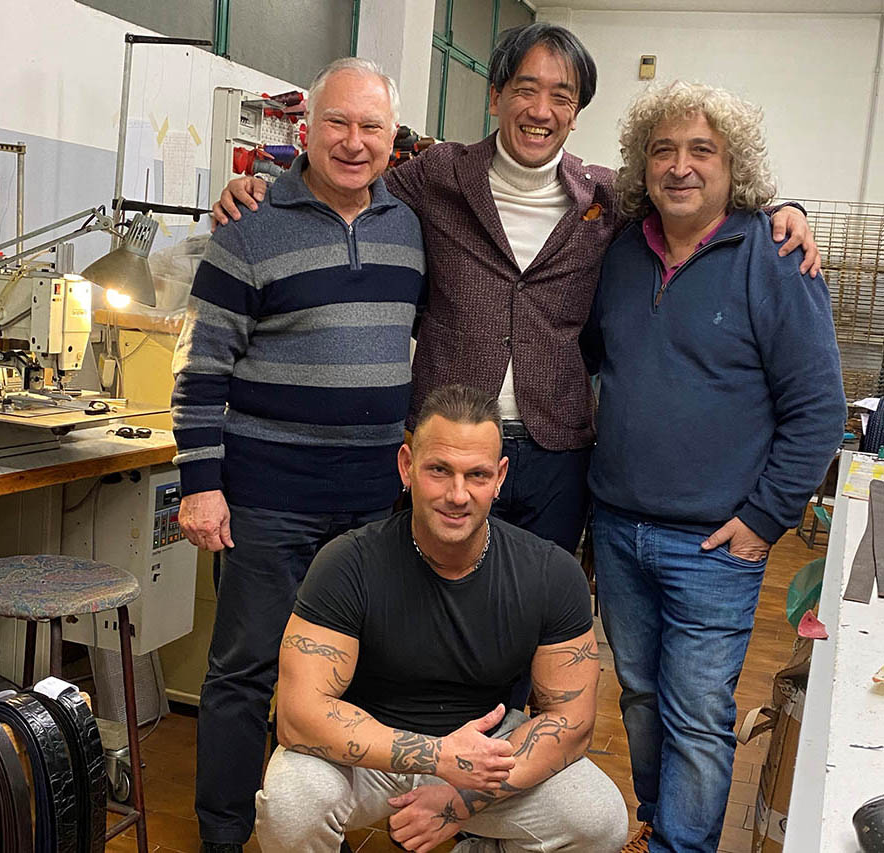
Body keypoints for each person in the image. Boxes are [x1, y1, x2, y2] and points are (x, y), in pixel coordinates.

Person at [213, 23, 820, 556]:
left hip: (557, 452)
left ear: (576, 113)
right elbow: (351, 176)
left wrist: (777, 211)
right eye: (527, 89)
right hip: (447, 446)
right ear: (496, 96)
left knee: (534, 614)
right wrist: (266, 187)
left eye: (563, 96)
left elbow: (690, 198)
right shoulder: (437, 176)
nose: (541, 110)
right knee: (431, 609)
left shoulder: (606, 199)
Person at [582, 81, 847, 853]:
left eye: (703, 150)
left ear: (735, 168)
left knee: (697, 712)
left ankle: (683, 846)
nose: (681, 166)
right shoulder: (621, 253)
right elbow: (600, 359)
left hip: (714, 545)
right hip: (618, 527)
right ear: (643, 164)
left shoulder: (776, 257)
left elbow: (819, 409)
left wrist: (763, 519)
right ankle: (659, 823)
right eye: (663, 149)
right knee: (638, 696)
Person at [171, 58, 426, 852]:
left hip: (372, 504)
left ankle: (321, 822)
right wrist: (201, 484)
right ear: (306, 130)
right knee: (245, 669)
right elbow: (199, 369)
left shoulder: (409, 226)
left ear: (392, 136)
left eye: (371, 126)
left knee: (348, 673)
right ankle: (223, 834)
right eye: (337, 123)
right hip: (266, 499)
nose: (353, 142)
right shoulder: (249, 227)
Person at [254, 383, 628, 853]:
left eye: (477, 475)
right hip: (369, 749)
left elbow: (572, 722)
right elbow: (297, 717)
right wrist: (438, 755)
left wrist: (460, 800)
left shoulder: (550, 572)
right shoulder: (348, 562)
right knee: (292, 803)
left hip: (486, 754)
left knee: (600, 820)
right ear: (406, 466)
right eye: (439, 470)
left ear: (500, 477)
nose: (457, 494)